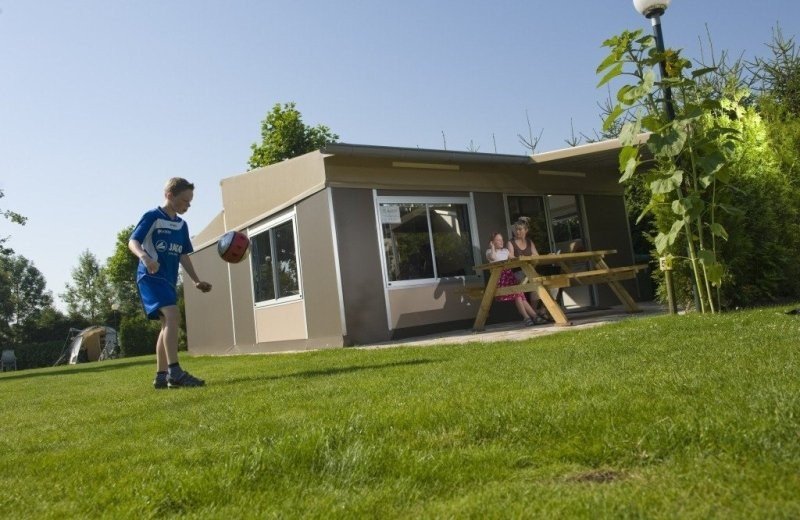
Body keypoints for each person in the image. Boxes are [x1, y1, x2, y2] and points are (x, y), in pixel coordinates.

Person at [129, 177, 212, 389]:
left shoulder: (181, 225)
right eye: (184, 201)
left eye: (190, 202)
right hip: (149, 276)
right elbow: (133, 241)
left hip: (168, 280)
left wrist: (195, 280)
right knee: (173, 315)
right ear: (169, 196)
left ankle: (161, 375)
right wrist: (145, 258)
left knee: (167, 324)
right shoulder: (152, 217)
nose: (188, 205)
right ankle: (175, 371)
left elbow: (184, 255)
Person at [486, 232, 546, 326]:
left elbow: (514, 259)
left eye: (502, 239)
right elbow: (493, 258)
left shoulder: (505, 251)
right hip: (499, 278)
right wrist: (492, 247)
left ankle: (530, 317)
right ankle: (531, 317)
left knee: (519, 293)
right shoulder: (489, 252)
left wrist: (525, 258)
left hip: (509, 277)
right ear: (492, 242)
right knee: (518, 293)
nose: (501, 241)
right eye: (498, 240)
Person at [506, 217, 551, 322]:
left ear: (526, 230)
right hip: (517, 271)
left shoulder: (529, 242)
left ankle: (537, 311)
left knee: (547, 283)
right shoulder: (511, 243)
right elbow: (510, 257)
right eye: (516, 229)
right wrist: (522, 259)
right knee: (535, 282)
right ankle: (536, 314)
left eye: (520, 229)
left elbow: (536, 255)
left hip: (530, 270)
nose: (517, 232)